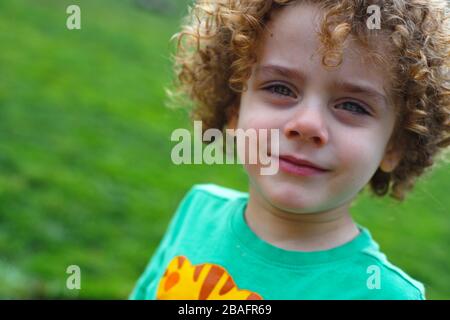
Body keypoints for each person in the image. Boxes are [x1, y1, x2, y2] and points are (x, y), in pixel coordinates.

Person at [130, 0, 449, 299]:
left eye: (353, 105)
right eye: (280, 88)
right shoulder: (197, 210)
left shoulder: (382, 293)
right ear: (234, 111)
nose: (307, 125)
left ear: (394, 146)